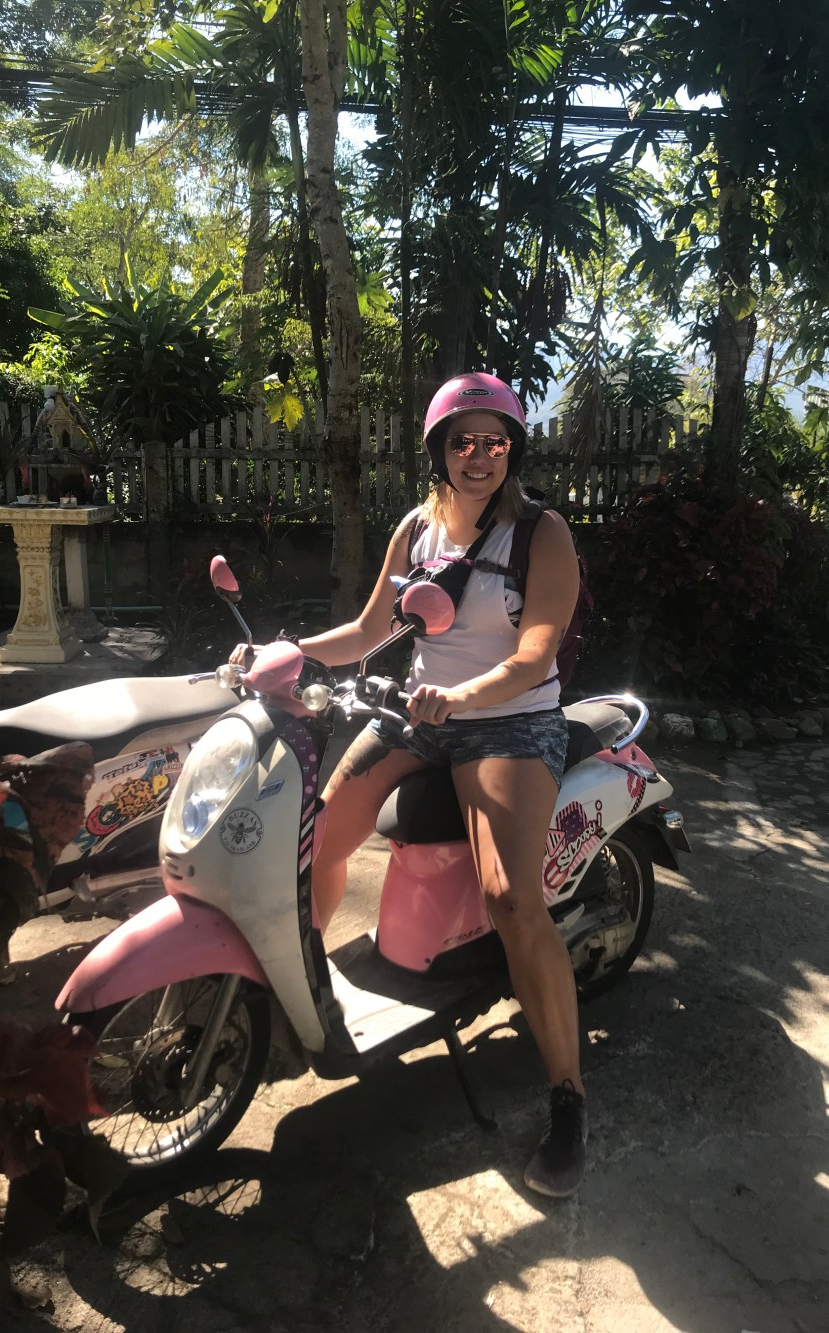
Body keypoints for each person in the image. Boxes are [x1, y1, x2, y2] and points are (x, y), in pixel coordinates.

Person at [237, 372, 586, 1196]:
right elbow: (369, 631)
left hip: (510, 722)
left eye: (494, 440)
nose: (479, 454)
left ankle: (569, 1095)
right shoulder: (416, 529)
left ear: (513, 449)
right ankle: (304, 996)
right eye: (463, 440)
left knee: (513, 900)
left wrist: (462, 697)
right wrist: (281, 656)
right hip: (420, 715)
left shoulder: (541, 533)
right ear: (438, 450)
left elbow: (535, 652)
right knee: (314, 839)